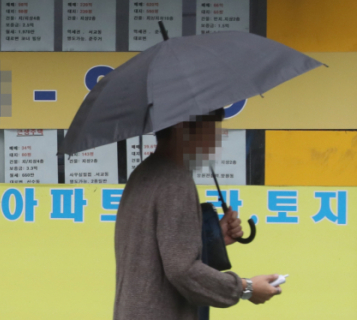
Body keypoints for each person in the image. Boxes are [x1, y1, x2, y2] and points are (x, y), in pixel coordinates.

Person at [113, 108, 281, 320]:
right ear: (181, 128)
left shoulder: (144, 172)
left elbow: (158, 252)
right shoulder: (175, 182)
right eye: (211, 129)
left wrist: (213, 238)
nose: (217, 138)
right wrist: (245, 288)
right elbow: (182, 270)